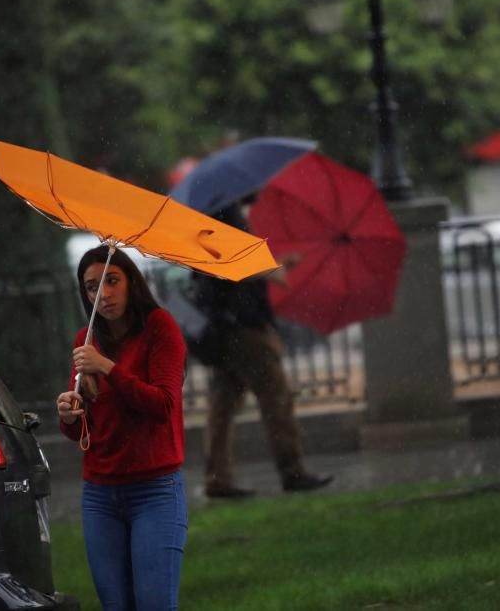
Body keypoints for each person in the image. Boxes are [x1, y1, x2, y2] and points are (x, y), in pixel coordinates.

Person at [56, 245, 188, 610]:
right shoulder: (87, 340)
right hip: (100, 494)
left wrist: (108, 368)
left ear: (132, 282)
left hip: (154, 490)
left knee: (154, 603)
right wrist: (69, 414)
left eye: (112, 281)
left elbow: (162, 404)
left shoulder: (160, 328)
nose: (103, 294)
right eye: (91, 286)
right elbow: (82, 429)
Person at [194, 202, 334, 499]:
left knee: (222, 404)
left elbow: (224, 273)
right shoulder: (225, 218)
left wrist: (274, 266)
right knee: (276, 398)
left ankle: (217, 478)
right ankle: (292, 471)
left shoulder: (207, 222)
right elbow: (234, 269)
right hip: (244, 328)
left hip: (224, 329)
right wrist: (267, 272)